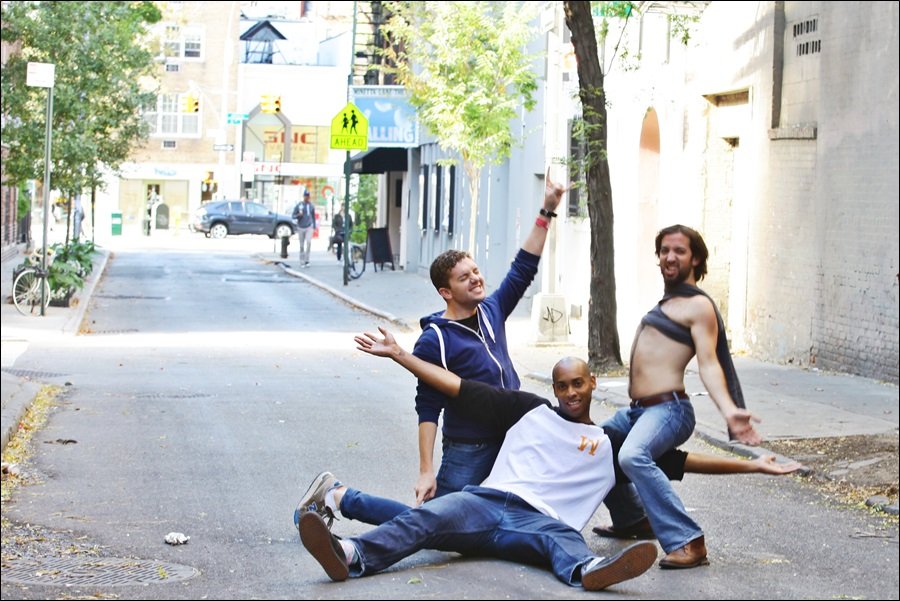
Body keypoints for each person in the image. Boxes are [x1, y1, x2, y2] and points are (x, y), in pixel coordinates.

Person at [297, 328, 800, 588]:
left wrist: (755, 463)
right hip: (487, 503)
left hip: (540, 523)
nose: (571, 392)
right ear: (554, 388)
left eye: (578, 383)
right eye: (562, 385)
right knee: (428, 518)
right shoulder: (527, 409)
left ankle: (591, 571)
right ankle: (349, 555)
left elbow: (682, 463)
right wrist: (402, 355)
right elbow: (458, 386)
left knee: (564, 541)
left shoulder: (610, 444)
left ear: (592, 382)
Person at [593, 224, 762, 570]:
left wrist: (729, 409)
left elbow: (709, 363)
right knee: (598, 446)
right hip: (638, 411)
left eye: (679, 251)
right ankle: (632, 518)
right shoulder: (670, 301)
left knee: (633, 456)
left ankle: (688, 540)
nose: (670, 257)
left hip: (669, 409)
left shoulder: (698, 305)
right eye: (664, 251)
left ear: (695, 258)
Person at [292, 190, 316, 268]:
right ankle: (302, 260)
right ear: (303, 196)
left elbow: (313, 216)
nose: (307, 197)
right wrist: (298, 215)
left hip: (309, 226)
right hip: (301, 226)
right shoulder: (299, 205)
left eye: (308, 196)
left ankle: (307, 260)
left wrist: (314, 225)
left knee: (308, 242)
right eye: (305, 196)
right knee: (301, 245)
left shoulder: (311, 206)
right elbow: (293, 215)